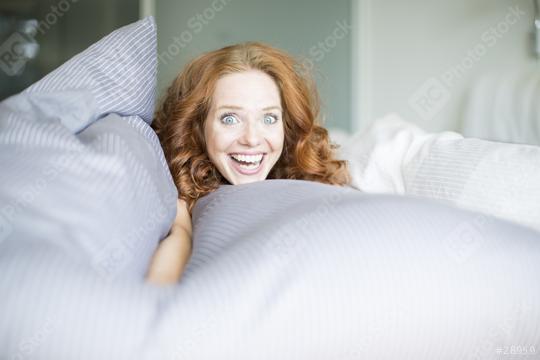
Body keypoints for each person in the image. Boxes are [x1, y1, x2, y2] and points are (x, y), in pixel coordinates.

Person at [145, 42, 350, 285]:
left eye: (269, 118)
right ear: (198, 126)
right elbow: (164, 279)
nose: (252, 139)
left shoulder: (317, 183)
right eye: (230, 118)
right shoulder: (181, 198)